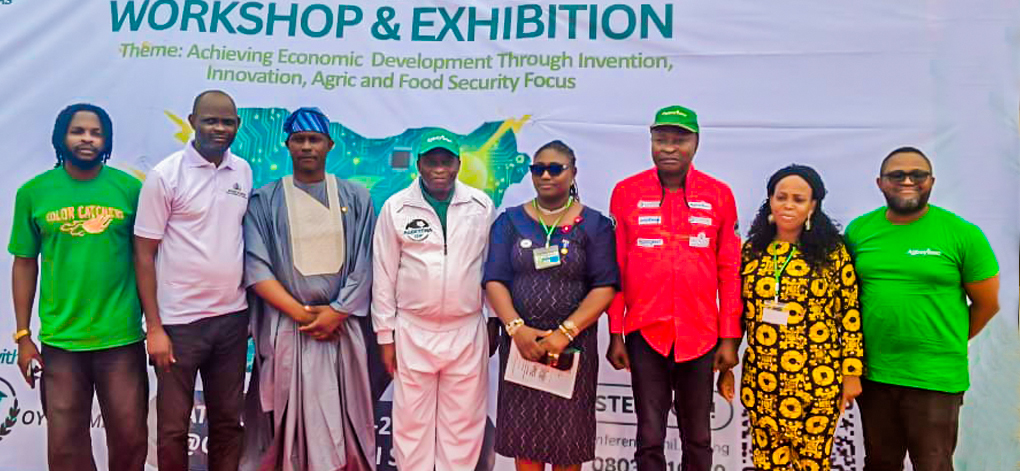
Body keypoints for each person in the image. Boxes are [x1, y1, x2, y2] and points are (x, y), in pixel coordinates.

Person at [9, 103, 147, 471]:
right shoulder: (34, 193)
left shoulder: (130, 189)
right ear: (61, 138)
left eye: (96, 133)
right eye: (78, 131)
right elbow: (24, 264)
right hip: (61, 343)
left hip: (121, 339)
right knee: (66, 448)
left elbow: (148, 260)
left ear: (107, 141)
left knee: (130, 440)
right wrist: (23, 336)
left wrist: (157, 322)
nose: (87, 139)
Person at [845, 147, 1000, 471]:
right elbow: (847, 298)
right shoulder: (859, 231)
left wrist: (947, 341)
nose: (907, 181)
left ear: (931, 181)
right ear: (880, 183)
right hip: (875, 374)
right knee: (880, 463)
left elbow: (987, 304)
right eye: (897, 175)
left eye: (917, 175)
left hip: (934, 377)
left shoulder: (961, 233)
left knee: (933, 464)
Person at [605, 105, 741, 471]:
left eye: (679, 140)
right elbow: (616, 268)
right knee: (649, 436)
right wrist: (616, 332)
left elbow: (730, 271)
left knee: (698, 436)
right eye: (660, 139)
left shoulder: (719, 194)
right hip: (645, 332)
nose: (668, 147)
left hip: (701, 334)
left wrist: (730, 337)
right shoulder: (626, 192)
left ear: (696, 143)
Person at [240, 107, 377, 471]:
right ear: (286, 145)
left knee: (346, 423)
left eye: (314, 139)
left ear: (330, 145)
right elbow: (256, 268)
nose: (306, 147)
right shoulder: (264, 200)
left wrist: (337, 312)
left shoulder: (356, 196)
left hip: (341, 330)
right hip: (288, 329)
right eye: (298, 140)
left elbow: (366, 262)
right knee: (286, 431)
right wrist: (305, 316)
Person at [134, 90, 252, 471]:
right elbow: (143, 254)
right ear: (192, 122)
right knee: (172, 428)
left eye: (227, 122)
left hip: (232, 320)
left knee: (228, 424)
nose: (219, 128)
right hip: (178, 324)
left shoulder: (243, 171)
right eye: (210, 120)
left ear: (238, 125)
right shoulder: (165, 176)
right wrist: (154, 327)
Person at [484, 140, 619, 470]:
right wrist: (516, 329)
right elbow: (494, 279)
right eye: (538, 169)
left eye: (555, 169)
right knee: (526, 442)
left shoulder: (595, 225)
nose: (546, 175)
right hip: (522, 347)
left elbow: (605, 287)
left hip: (573, 349)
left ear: (573, 172)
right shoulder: (509, 221)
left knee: (568, 443)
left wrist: (564, 333)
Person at [721, 164, 863, 471]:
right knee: (767, 463)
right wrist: (727, 364)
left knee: (812, 464)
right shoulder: (752, 251)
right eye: (781, 197)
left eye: (798, 199)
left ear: (813, 205)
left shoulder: (833, 254)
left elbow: (850, 315)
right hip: (763, 381)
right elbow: (737, 312)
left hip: (817, 382)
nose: (788, 205)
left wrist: (851, 373)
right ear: (770, 201)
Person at [372, 128, 495, 471]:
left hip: (466, 329)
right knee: (412, 425)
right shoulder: (396, 207)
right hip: (413, 329)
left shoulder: (480, 205)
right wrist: (384, 335)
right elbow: (383, 275)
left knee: (463, 426)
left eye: (446, 161)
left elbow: (491, 268)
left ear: (458, 164)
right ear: (419, 165)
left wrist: (494, 319)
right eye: (431, 162)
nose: (439, 169)